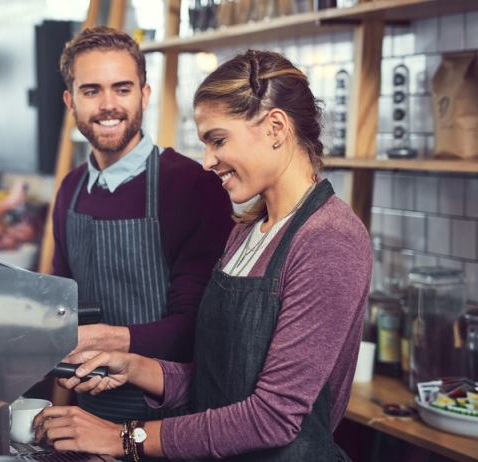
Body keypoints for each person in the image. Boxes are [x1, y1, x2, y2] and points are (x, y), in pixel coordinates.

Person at [35, 49, 371, 461]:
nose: (208, 161)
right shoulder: (247, 233)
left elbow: (273, 417)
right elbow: (220, 384)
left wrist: (124, 437)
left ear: (276, 127)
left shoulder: (329, 239)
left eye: (218, 140)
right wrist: (136, 368)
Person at [50, 26, 234, 424]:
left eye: (122, 88)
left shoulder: (192, 186)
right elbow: (59, 312)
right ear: (70, 101)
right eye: (91, 90)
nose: (108, 105)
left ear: (145, 96)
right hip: (89, 418)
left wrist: (104, 337)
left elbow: (197, 329)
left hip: (173, 425)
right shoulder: (69, 190)